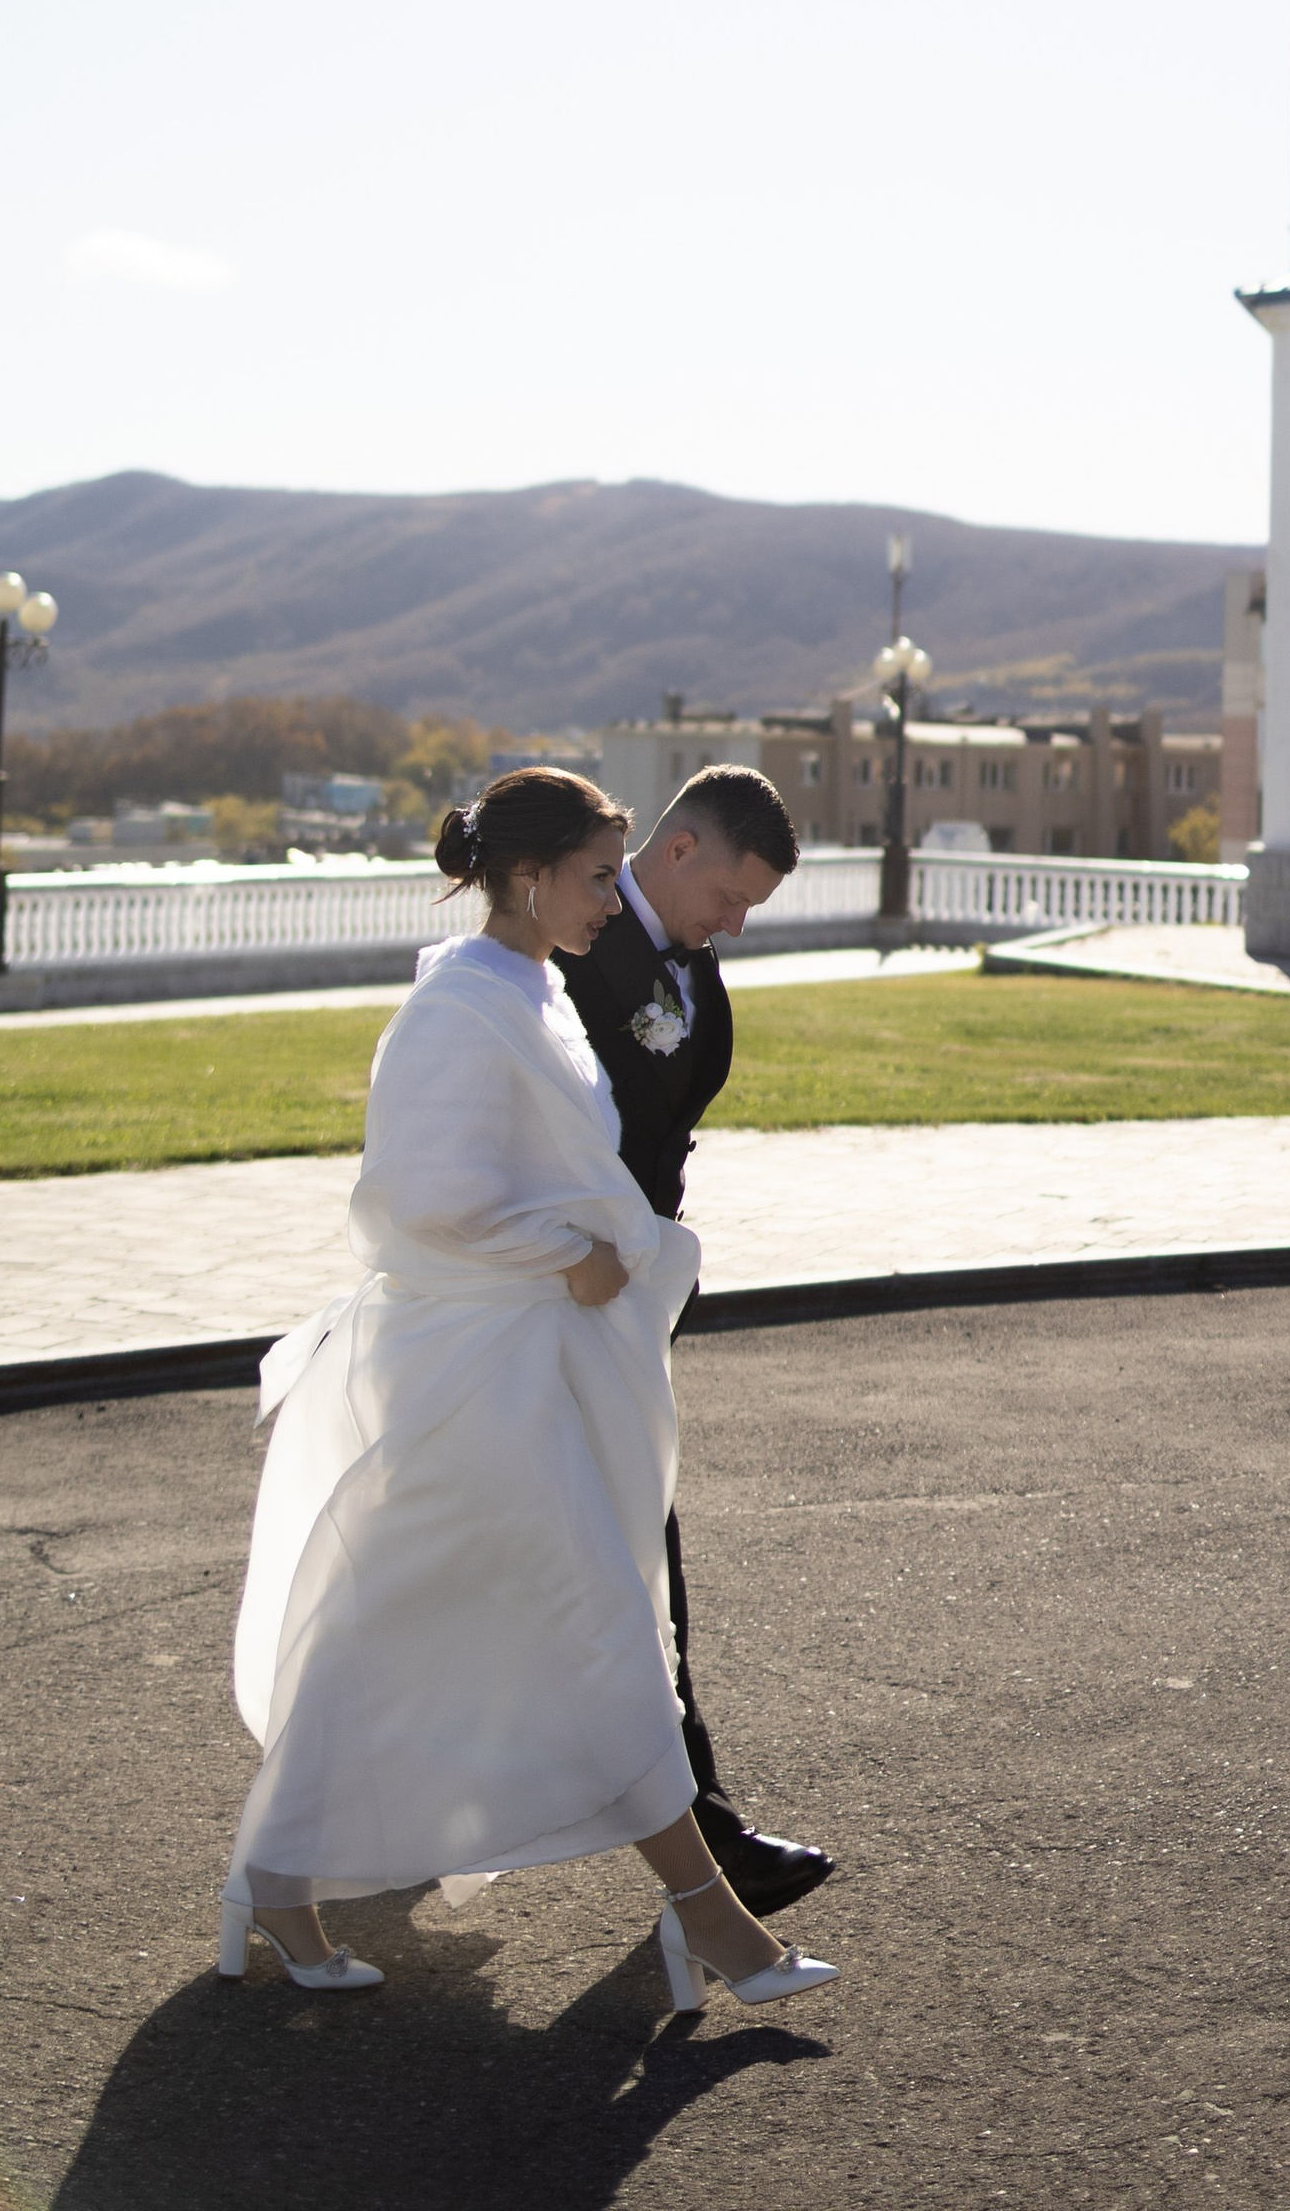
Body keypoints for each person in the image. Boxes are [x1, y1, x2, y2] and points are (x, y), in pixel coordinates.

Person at [218, 765, 837, 2018]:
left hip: (541, 1362)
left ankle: (275, 1879)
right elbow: (418, 1202)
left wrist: (607, 1254)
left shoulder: (537, 988)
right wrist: (576, 1255)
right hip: (480, 1372)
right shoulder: (459, 1004)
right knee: (604, 1621)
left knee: (392, 1621)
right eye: (601, 875)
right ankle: (713, 1925)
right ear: (521, 877)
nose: (617, 899)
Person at [558, 761, 834, 1915]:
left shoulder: (692, 967)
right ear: (678, 850)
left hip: (627, 1305)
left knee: (585, 1560)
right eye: (730, 897)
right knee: (630, 1566)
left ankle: (365, 1794)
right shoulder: (567, 948)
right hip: (558, 1306)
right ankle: (706, 1845)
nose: (734, 925)